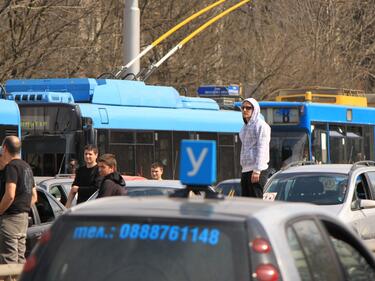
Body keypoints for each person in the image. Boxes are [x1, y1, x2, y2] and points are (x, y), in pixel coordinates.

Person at [0, 136, 37, 264]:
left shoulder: (11, 167)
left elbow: (10, 194)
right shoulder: (27, 167)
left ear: (4, 148)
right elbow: (34, 197)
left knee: (8, 261)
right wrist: (23, 208)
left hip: (10, 219)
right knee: (20, 259)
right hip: (24, 218)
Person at [239, 98, 271, 198]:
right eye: (243, 108)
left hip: (257, 171)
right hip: (246, 170)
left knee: (256, 203)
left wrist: (257, 170)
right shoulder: (244, 127)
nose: (244, 110)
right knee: (247, 204)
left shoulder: (261, 125)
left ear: (255, 109)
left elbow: (262, 147)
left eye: (248, 108)